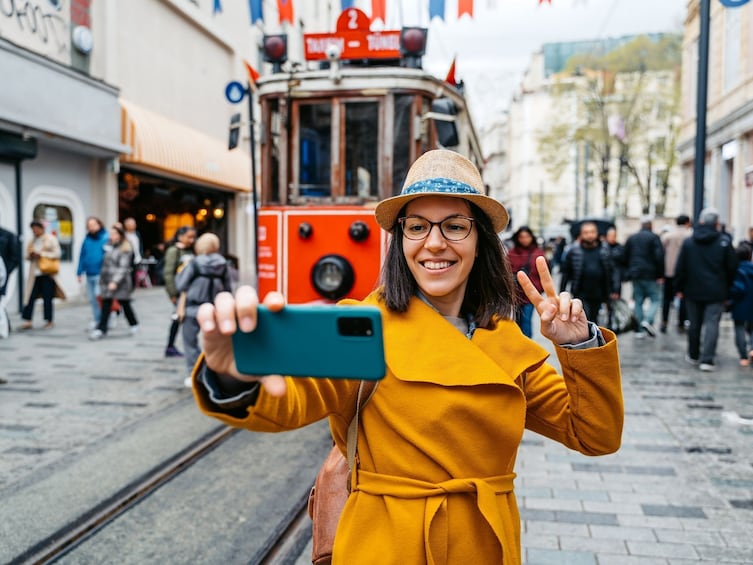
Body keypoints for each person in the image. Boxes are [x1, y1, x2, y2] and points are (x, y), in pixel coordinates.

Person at [188, 150, 623, 564]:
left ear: (481, 242)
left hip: (486, 547)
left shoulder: (505, 341)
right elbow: (292, 399)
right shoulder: (363, 327)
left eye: (454, 226)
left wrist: (577, 345)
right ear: (400, 241)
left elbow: (595, 435)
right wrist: (233, 375)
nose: (433, 243)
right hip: (387, 545)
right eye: (417, 227)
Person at [675, 208, 739, 372]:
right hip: (716, 291)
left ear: (701, 221)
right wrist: (728, 287)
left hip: (692, 289)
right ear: (717, 223)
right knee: (712, 324)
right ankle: (707, 359)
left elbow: (681, 267)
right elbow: (732, 267)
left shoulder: (689, 242)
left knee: (694, 324)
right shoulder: (724, 242)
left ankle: (694, 354)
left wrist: (679, 287)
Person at [175, 233, 233, 386]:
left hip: (193, 306)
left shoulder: (194, 263)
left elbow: (181, 285)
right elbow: (228, 289)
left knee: (190, 342)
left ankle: (194, 373)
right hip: (214, 308)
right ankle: (214, 371)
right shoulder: (223, 264)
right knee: (215, 340)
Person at [559, 221, 619, 323]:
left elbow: (613, 270)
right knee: (585, 319)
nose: (589, 235)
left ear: (596, 233)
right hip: (581, 293)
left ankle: (594, 337)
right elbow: (566, 273)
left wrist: (616, 289)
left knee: (596, 319)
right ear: (581, 234)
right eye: (586, 232)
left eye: (592, 232)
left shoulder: (605, 250)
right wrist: (562, 292)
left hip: (601, 292)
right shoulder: (573, 251)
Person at [89, 224, 140, 340]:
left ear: (120, 235)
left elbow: (123, 267)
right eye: (111, 233)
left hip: (120, 282)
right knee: (106, 304)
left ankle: (134, 324)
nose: (111, 236)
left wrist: (115, 281)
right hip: (107, 281)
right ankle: (101, 329)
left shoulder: (125, 248)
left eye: (114, 233)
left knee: (125, 304)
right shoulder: (108, 246)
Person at [622, 216, 664, 338]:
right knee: (656, 299)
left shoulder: (632, 238)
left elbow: (625, 255)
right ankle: (648, 320)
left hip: (636, 274)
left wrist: (629, 270)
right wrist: (660, 274)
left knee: (638, 301)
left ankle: (639, 329)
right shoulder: (654, 238)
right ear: (651, 225)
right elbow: (659, 256)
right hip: (651, 274)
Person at [20, 221, 65, 330]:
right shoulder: (32, 241)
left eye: (36, 228)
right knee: (30, 297)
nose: (35, 231)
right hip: (34, 275)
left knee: (47, 297)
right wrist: (31, 255)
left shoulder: (50, 239)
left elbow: (58, 253)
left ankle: (49, 320)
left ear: (41, 228)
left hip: (47, 273)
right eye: (33, 229)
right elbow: (25, 256)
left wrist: (42, 254)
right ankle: (28, 320)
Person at [162, 226, 197, 357]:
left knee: (183, 319)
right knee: (177, 318)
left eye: (193, 237)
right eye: (189, 237)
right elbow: (168, 273)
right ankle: (170, 346)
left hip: (192, 291)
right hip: (179, 292)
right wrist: (172, 293)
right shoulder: (173, 251)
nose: (191, 240)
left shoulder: (192, 251)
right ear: (180, 236)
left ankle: (178, 346)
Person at [507, 225, 545, 338]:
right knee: (516, 322)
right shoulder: (511, 253)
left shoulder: (538, 253)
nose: (524, 239)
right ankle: (519, 345)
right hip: (515, 294)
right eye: (521, 237)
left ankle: (528, 349)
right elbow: (506, 271)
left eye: (527, 236)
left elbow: (543, 274)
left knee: (526, 321)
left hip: (531, 295)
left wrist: (539, 290)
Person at [660, 214, 692, 334]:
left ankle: (664, 322)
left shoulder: (667, 236)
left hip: (669, 271)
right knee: (683, 298)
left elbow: (661, 252)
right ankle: (681, 322)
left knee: (667, 298)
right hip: (685, 272)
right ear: (687, 222)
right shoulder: (690, 235)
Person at [76, 217, 109, 331]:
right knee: (92, 299)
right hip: (89, 273)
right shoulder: (87, 239)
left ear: (99, 224)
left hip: (101, 274)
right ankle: (97, 319)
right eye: (89, 225)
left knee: (98, 296)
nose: (91, 227)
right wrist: (79, 271)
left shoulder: (106, 238)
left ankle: (103, 320)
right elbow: (82, 255)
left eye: (93, 224)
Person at [729, 243, 753, 367]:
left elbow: (736, 289)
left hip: (740, 304)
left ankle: (743, 356)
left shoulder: (736, 270)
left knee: (739, 328)